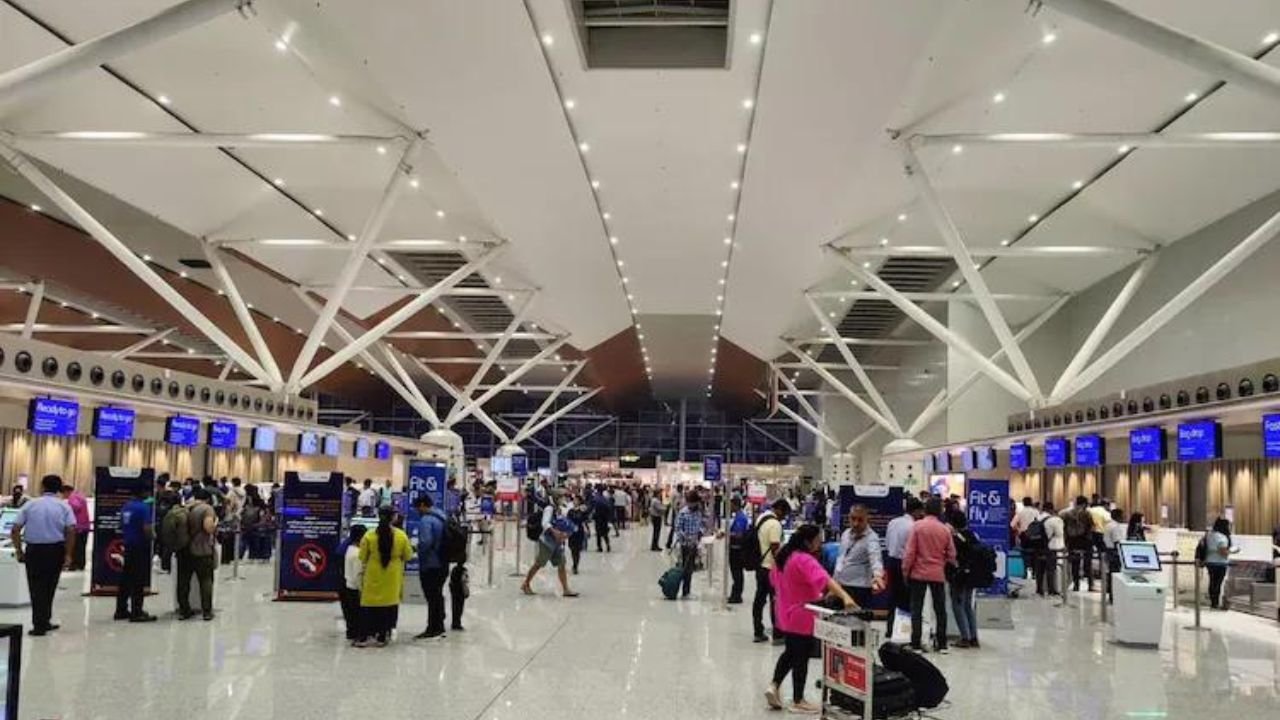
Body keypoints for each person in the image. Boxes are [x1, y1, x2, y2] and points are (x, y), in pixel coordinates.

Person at [764, 524, 857, 714]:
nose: (820, 543)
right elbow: (825, 579)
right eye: (818, 540)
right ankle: (798, 699)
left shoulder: (783, 556)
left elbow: (774, 582)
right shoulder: (804, 559)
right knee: (801, 657)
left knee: (790, 652)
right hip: (802, 615)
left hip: (784, 612)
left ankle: (773, 686)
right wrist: (846, 597)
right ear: (808, 541)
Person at [9, 475, 75, 636]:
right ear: (59, 489)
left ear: (42, 487)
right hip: (55, 550)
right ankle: (44, 621)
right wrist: (68, 554)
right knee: (50, 587)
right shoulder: (64, 507)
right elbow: (71, 530)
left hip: (34, 551)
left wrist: (19, 551)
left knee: (36, 587)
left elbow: (15, 529)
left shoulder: (30, 505)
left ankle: (40, 623)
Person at [903, 498, 956, 654]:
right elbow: (952, 554)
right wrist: (942, 562)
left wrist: (906, 571)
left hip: (918, 573)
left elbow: (910, 553)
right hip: (937, 574)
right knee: (940, 609)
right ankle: (942, 644)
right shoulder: (945, 530)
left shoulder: (917, 527)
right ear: (940, 511)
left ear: (925, 510)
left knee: (916, 609)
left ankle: (916, 643)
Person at [357, 507, 413, 647]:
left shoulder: (369, 536)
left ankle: (366, 636)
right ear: (393, 518)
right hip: (392, 575)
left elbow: (362, 556)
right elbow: (408, 555)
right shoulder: (401, 535)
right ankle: (382, 637)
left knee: (369, 606)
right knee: (387, 607)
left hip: (373, 574)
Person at [520, 493, 579, 598]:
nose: (563, 499)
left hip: (557, 542)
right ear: (556, 498)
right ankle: (526, 584)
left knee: (561, 564)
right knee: (538, 564)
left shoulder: (559, 509)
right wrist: (555, 532)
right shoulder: (549, 508)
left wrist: (564, 534)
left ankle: (566, 589)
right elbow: (545, 523)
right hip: (546, 541)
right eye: (561, 497)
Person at [115, 484, 157, 623]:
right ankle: (137, 612)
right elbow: (147, 528)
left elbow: (121, 525)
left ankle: (121, 609)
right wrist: (153, 537)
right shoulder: (143, 508)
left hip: (128, 545)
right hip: (140, 546)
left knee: (126, 578)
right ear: (143, 493)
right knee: (139, 580)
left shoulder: (126, 506)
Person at [177, 487, 219, 621]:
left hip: (183, 550)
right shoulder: (207, 509)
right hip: (202, 550)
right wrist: (215, 525)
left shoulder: (184, 508)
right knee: (205, 580)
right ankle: (207, 612)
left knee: (183, 581)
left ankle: (184, 610)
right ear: (207, 499)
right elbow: (208, 527)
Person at [884, 497, 923, 637]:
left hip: (891, 561)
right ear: (917, 511)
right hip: (905, 563)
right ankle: (903, 632)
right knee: (906, 599)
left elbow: (887, 543)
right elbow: (912, 550)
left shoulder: (893, 522)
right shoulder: (914, 526)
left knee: (892, 597)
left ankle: (889, 629)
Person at [753, 498, 790, 643]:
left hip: (760, 565)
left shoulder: (761, 518)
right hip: (771, 568)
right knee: (776, 601)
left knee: (759, 600)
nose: (784, 518)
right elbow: (775, 547)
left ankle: (758, 631)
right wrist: (783, 566)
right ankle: (778, 634)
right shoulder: (775, 524)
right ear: (779, 509)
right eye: (784, 514)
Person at [834, 505, 885, 608]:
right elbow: (841, 558)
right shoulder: (845, 534)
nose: (856, 523)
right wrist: (835, 580)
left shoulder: (871, 538)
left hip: (859, 589)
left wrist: (878, 575)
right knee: (838, 622)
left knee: (858, 622)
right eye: (853, 519)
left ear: (867, 519)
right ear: (849, 517)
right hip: (841, 585)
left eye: (860, 520)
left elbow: (875, 558)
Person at [412, 496, 449, 640]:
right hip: (443, 562)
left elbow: (426, 542)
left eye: (417, 508)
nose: (417, 511)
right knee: (437, 594)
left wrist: (417, 551)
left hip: (430, 564)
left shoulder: (426, 520)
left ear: (422, 505)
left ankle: (433, 628)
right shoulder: (441, 515)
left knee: (432, 596)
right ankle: (439, 624)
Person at [947, 511, 980, 648]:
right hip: (972, 574)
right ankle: (973, 637)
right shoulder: (973, 536)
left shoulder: (954, 538)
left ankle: (964, 637)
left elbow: (951, 556)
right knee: (967, 605)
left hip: (959, 575)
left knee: (957, 604)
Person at [674, 491, 710, 599]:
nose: (690, 505)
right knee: (686, 568)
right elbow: (678, 528)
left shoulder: (698, 512)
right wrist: (686, 537)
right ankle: (685, 592)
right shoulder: (683, 513)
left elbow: (703, 524)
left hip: (695, 544)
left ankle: (687, 590)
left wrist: (700, 533)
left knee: (690, 568)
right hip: (685, 545)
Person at [1061, 496, 1094, 592]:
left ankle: (1076, 585)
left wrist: (1066, 541)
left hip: (1072, 541)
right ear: (1084, 503)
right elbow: (1091, 526)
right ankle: (1090, 585)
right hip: (1085, 541)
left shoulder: (1067, 513)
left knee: (1075, 564)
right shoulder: (1087, 513)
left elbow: (1064, 528)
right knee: (1088, 563)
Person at [341, 524, 367, 641]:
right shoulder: (357, 554)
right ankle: (359, 635)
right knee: (358, 613)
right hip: (356, 588)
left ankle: (352, 632)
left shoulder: (349, 549)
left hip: (348, 584)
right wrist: (362, 589)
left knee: (351, 612)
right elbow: (358, 574)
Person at [58, 483, 91, 571]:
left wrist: (66, 508)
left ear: (66, 492)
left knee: (75, 547)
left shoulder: (73, 497)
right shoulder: (80, 495)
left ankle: (74, 565)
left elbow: (76, 506)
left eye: (63, 494)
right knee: (81, 547)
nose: (63, 497)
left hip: (78, 527)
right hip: (85, 526)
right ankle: (80, 564)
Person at [1203, 517, 1232, 609]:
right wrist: (1231, 552)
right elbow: (1222, 552)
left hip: (1210, 562)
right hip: (1220, 563)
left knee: (1212, 582)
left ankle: (1213, 601)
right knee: (1218, 583)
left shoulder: (1210, 535)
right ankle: (1216, 602)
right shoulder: (1222, 537)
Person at [727, 496, 750, 603]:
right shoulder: (738, 516)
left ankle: (736, 595)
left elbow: (739, 535)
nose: (730, 507)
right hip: (735, 548)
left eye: (731, 505)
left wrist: (728, 534)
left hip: (737, 550)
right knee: (736, 573)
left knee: (737, 573)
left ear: (735, 505)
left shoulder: (741, 518)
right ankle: (735, 594)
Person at [1039, 501, 1064, 597]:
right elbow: (1059, 533)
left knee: (1040, 569)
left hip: (1039, 546)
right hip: (1052, 546)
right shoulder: (1054, 520)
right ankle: (1052, 589)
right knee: (1051, 568)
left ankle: (1040, 589)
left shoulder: (1038, 516)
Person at [1102, 508, 1127, 603]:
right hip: (1114, 552)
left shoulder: (1107, 525)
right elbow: (1117, 541)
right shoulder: (1115, 527)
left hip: (1108, 551)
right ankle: (1114, 596)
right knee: (1116, 574)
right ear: (1118, 516)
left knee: (1111, 574)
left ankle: (1111, 594)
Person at [1088, 497, 1112, 590]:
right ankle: (1103, 576)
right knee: (1103, 557)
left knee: (1088, 558)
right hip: (1100, 535)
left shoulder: (1090, 510)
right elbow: (1109, 525)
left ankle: (1091, 581)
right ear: (1106, 505)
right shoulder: (1105, 513)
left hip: (1089, 535)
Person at [566, 495, 589, 575]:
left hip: (579, 532)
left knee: (577, 550)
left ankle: (575, 566)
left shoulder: (582, 511)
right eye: (574, 500)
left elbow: (585, 520)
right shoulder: (570, 511)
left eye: (576, 500)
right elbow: (567, 520)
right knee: (572, 549)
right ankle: (574, 563)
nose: (575, 501)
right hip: (571, 532)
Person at [592, 488, 613, 552]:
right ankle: (608, 545)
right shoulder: (605, 500)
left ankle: (599, 547)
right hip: (604, 519)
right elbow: (609, 509)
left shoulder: (595, 499)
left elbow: (593, 509)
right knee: (605, 534)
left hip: (598, 519)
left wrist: (592, 516)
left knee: (598, 534)